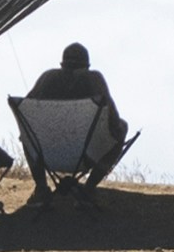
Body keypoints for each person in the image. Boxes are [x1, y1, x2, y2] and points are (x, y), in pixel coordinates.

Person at [19, 40, 128, 193]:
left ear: (62, 64)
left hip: (47, 153)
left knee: (26, 134)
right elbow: (114, 119)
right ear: (87, 66)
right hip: (86, 154)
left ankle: (41, 188)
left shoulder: (47, 78)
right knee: (122, 126)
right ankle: (88, 189)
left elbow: (25, 115)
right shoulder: (94, 79)